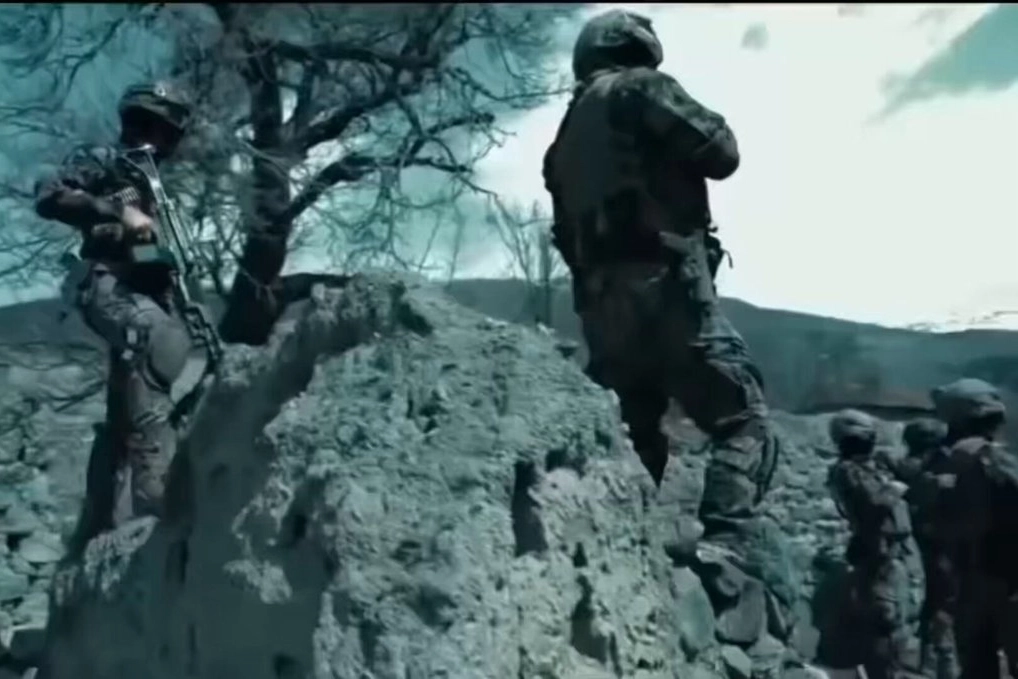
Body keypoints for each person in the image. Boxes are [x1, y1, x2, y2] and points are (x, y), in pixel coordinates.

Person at [542, 8, 779, 543]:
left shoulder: (563, 139)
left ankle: (619, 548)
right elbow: (721, 154)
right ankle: (726, 551)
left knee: (633, 433)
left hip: (602, 310)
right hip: (667, 288)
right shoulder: (641, 88)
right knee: (743, 417)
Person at [34, 81, 194, 529]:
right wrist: (117, 212)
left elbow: (143, 248)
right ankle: (152, 487)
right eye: (155, 128)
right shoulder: (104, 160)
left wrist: (158, 255)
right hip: (105, 280)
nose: (160, 140)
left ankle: (100, 522)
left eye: (168, 132)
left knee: (129, 403)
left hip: (147, 290)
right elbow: (50, 195)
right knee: (156, 338)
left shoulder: (156, 188)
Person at [930, 379, 1018, 679]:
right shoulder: (996, 460)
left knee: (978, 667)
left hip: (969, 583)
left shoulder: (943, 463)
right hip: (1005, 582)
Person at [826, 409, 922, 679]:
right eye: (864, 438)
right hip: (877, 552)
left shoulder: (871, 465)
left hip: (897, 549)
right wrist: (894, 488)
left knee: (900, 617)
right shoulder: (847, 470)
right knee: (884, 619)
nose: (870, 442)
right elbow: (874, 503)